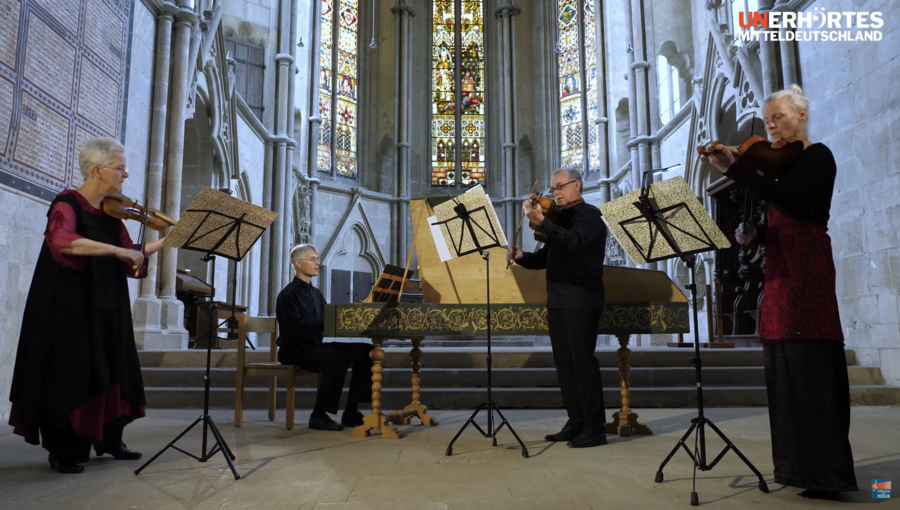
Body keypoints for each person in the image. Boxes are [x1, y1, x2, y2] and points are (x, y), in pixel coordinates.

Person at [704, 84, 858, 498]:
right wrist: (755, 232)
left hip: (805, 273)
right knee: (784, 370)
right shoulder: (780, 168)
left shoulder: (816, 155)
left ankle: (827, 475)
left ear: (802, 115)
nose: (771, 125)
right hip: (778, 275)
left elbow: (800, 203)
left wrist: (738, 171)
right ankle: (797, 470)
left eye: (779, 117)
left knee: (810, 368)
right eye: (768, 119)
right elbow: (781, 212)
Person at [8, 137, 166, 474]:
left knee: (114, 368)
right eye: (120, 168)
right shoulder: (67, 203)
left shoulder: (113, 214)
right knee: (74, 373)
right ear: (97, 170)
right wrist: (117, 251)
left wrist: (165, 241)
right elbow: (61, 241)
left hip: (109, 307)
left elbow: (132, 256)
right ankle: (64, 449)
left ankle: (110, 440)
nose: (125, 175)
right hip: (71, 309)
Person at [507, 169, 608, 448]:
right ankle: (575, 422)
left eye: (560, 187)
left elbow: (575, 244)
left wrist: (542, 222)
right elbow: (545, 259)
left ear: (577, 185)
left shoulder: (590, 215)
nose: (556, 193)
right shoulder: (558, 218)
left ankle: (595, 428)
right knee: (565, 366)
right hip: (558, 301)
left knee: (583, 364)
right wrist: (521, 257)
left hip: (581, 299)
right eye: (553, 189)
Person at [275, 244, 374, 431]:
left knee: (365, 351)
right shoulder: (288, 294)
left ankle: (351, 411)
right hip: (294, 349)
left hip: (315, 346)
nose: (317, 263)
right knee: (337, 358)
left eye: (318, 259)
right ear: (298, 263)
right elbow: (295, 330)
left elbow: (328, 324)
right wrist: (330, 322)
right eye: (312, 259)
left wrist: (353, 320)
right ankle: (319, 415)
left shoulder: (316, 293)